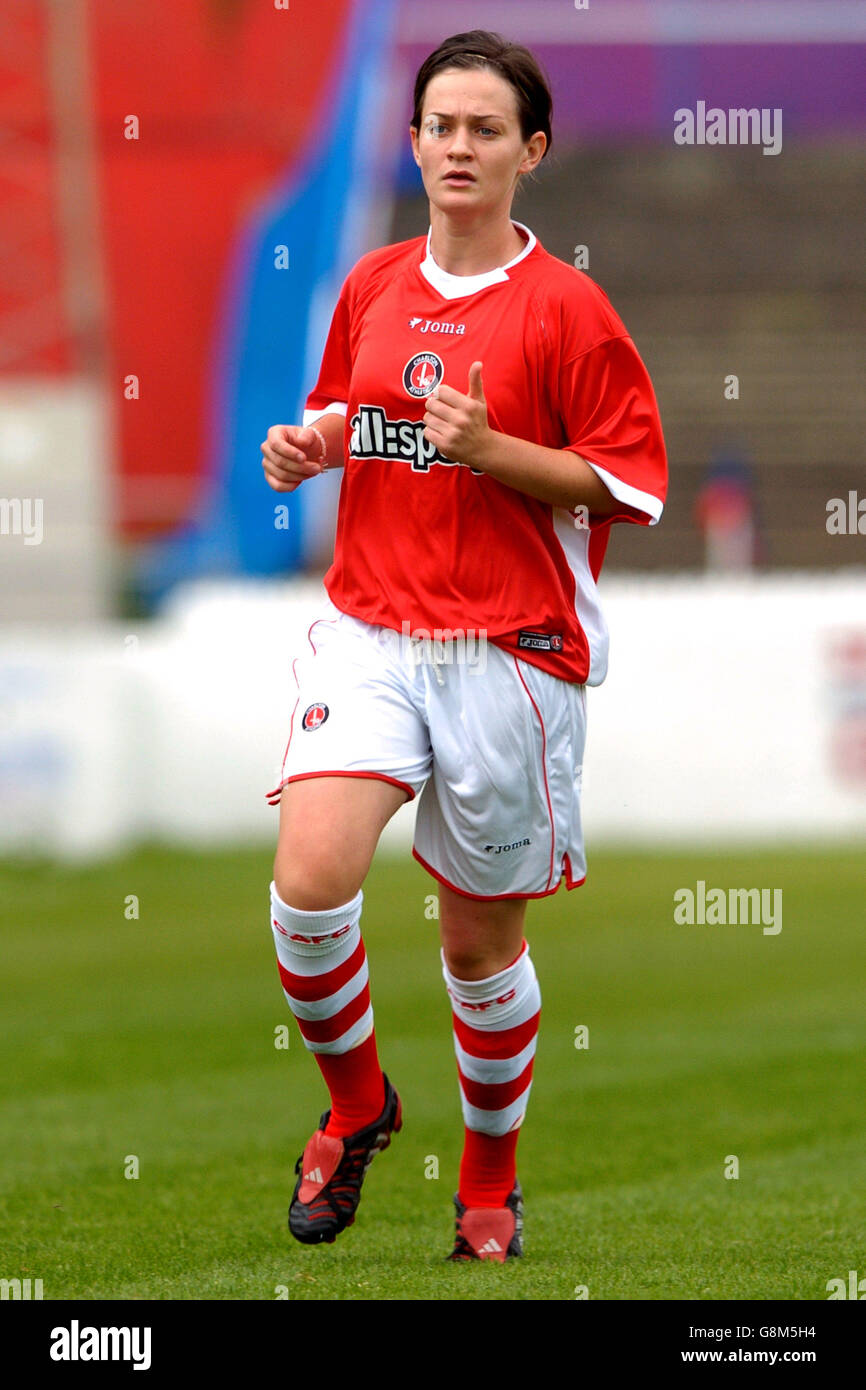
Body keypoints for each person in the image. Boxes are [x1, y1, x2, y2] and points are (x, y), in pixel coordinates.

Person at [260, 28, 667, 1262]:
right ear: (414, 138)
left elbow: (625, 488)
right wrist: (313, 445)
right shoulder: (375, 282)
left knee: (475, 948)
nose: (458, 145)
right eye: (441, 123)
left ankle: (486, 1186)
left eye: (486, 128)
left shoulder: (569, 312)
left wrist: (489, 450)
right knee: (307, 884)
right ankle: (355, 1105)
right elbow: (355, 408)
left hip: (511, 652)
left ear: (529, 152)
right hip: (374, 627)